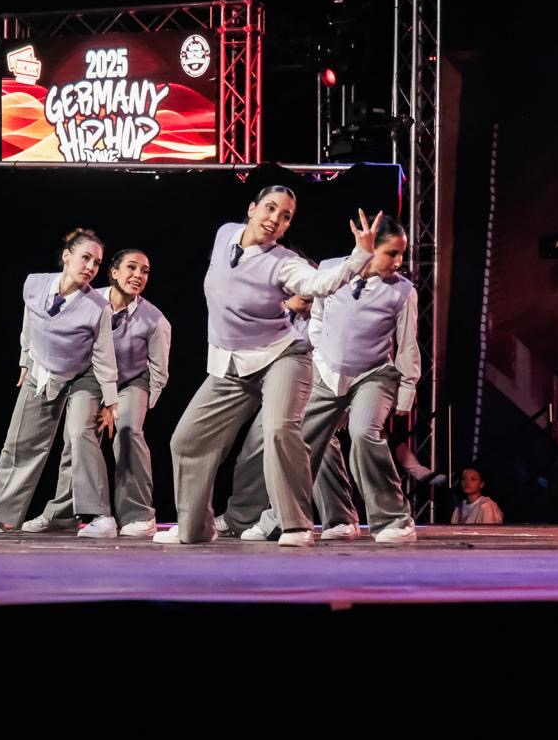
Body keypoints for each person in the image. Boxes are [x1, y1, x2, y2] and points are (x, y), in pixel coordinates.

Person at [160, 184, 381, 547]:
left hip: (283, 358)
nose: (275, 219)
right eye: (270, 209)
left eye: (285, 216)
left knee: (279, 430)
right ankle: (195, 529)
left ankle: (295, 524)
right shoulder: (225, 235)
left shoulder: (284, 263)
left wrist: (358, 257)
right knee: (187, 440)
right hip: (231, 363)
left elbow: (318, 283)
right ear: (252, 209)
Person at [224, 215, 421, 545]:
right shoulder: (332, 269)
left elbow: (407, 345)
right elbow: (317, 318)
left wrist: (407, 392)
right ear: (369, 250)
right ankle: (281, 518)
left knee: (363, 432)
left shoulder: (402, 291)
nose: (398, 262)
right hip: (327, 371)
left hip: (373, 374)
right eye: (391, 253)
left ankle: (393, 518)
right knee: (299, 442)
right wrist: (317, 362)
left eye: (402, 254)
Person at [0, 229, 121, 538]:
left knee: (79, 435)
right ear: (67, 256)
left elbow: (104, 357)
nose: (90, 267)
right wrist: (25, 359)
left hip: (84, 376)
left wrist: (111, 403)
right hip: (42, 370)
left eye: (97, 263)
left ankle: (99, 516)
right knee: (19, 444)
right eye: (85, 258)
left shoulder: (98, 306)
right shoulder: (34, 283)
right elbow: (29, 323)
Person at [21, 248, 172, 539]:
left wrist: (130, 407)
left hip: (132, 382)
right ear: (113, 273)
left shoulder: (155, 320)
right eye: (131, 268)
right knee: (77, 435)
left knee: (128, 430)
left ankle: (139, 515)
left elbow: (159, 372)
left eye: (144, 271)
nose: (138, 275)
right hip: (93, 378)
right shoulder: (89, 302)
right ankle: (62, 513)